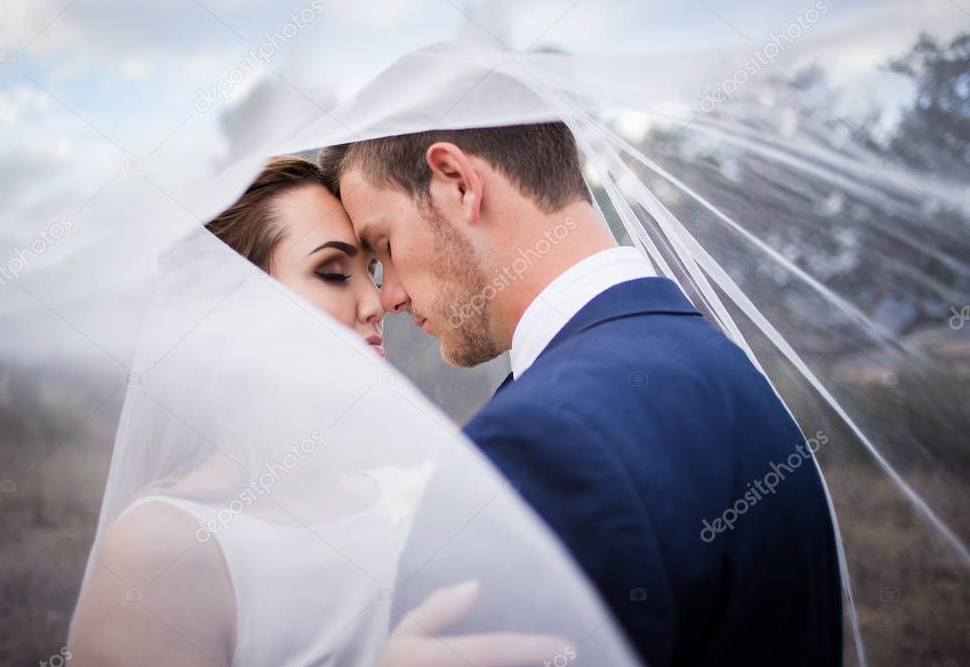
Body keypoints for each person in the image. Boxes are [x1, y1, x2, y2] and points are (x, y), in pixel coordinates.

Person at [321, 122, 844, 667]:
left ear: (458, 182)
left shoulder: (543, 443)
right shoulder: (722, 364)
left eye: (384, 246)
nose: (390, 297)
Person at [67, 156, 574, 666]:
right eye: (332, 272)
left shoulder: (423, 491)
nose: (377, 301)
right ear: (229, 312)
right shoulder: (161, 550)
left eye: (371, 272)